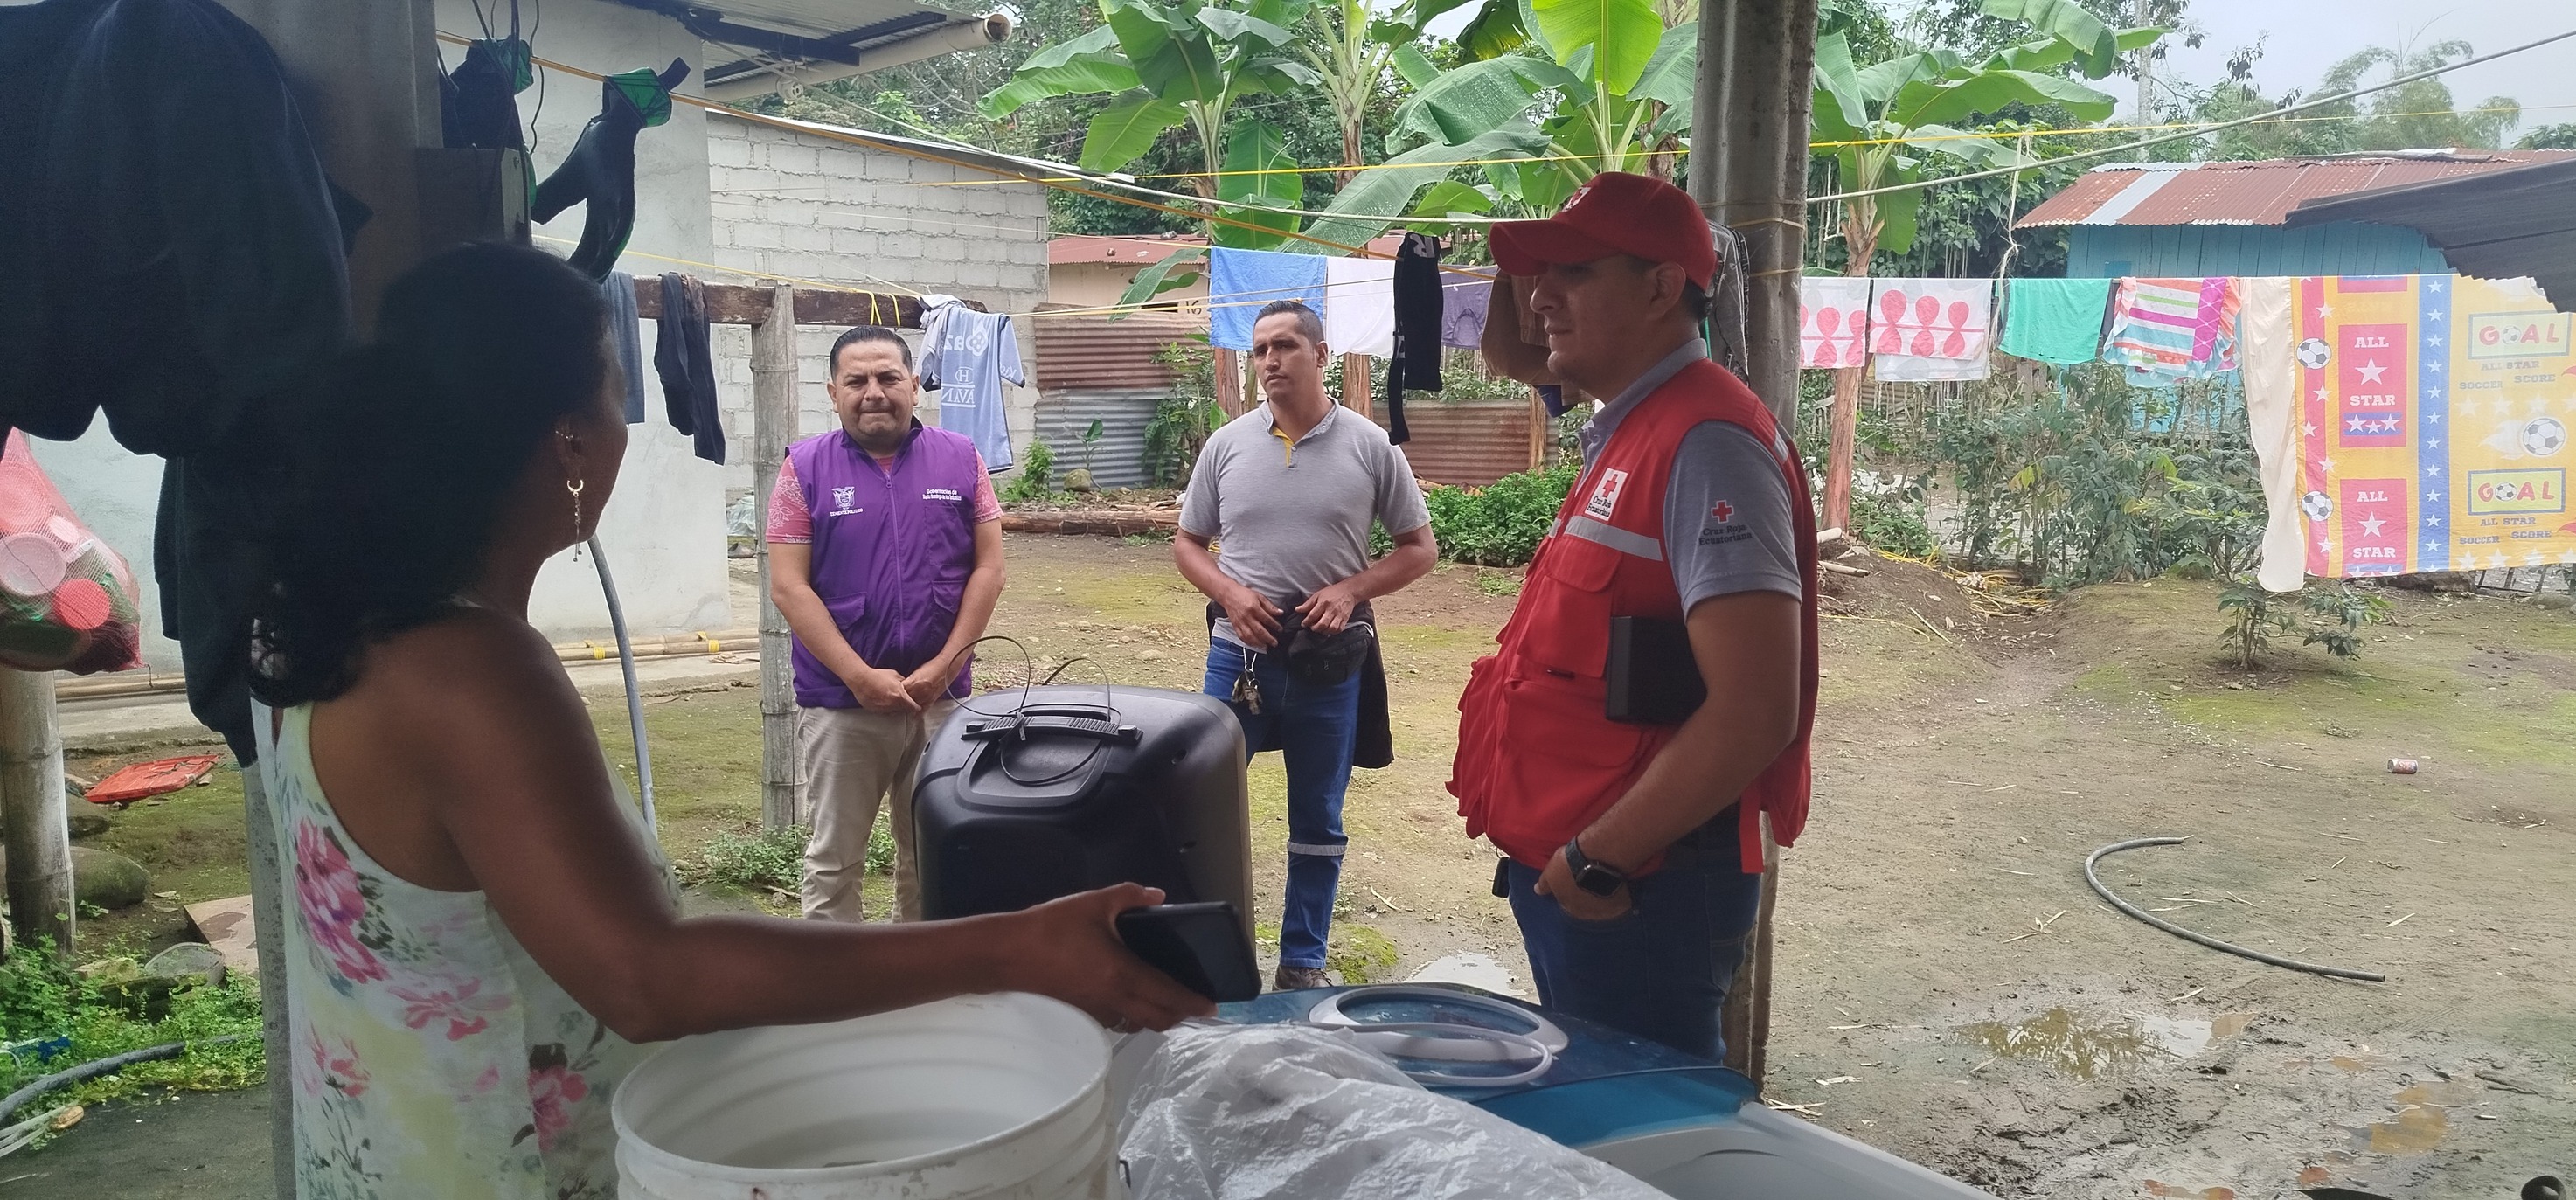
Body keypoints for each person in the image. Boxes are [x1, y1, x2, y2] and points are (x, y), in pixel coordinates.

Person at [245, 243, 1207, 1199]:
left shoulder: (331, 619)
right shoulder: (471, 672)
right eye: (617, 394)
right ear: (570, 439)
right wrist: (1013, 946)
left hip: (389, 1147)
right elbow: (647, 977)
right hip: (499, 1165)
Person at [1447, 172, 1821, 1063]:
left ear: (1660, 289)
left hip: (1640, 881)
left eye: (1573, 272)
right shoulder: (1635, 425)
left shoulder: (1706, 442)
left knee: (1646, 1126)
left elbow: (1754, 708)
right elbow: (1512, 350)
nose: (1541, 299)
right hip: (1596, 871)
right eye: (1541, 276)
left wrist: (1596, 858)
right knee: (1602, 1110)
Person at [1173, 299, 1438, 991]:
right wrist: (1230, 595)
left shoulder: (1370, 446)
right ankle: (1203, 957)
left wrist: (1351, 590)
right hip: (1238, 657)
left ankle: (1302, 961)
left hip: (1328, 659)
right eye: (1260, 349)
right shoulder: (1227, 445)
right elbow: (1187, 543)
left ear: (1320, 355)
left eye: (1285, 346)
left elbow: (1419, 547)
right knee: (1196, 804)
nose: (1269, 361)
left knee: (1318, 814)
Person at [766, 325, 1005, 923]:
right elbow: (789, 587)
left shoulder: (962, 458)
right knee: (834, 859)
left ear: (914, 386)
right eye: (857, 381)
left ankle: (920, 972)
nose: (873, 392)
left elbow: (989, 569)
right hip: (842, 703)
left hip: (941, 699)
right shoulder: (803, 469)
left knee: (932, 853)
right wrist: (857, 676)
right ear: (833, 393)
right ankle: (836, 976)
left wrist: (944, 666)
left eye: (888, 377)